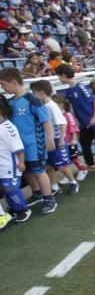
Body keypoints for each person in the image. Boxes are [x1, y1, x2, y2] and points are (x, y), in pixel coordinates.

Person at [0, 67, 56, 214]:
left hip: (34, 144)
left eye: (3, 84)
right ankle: (37, 193)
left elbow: (46, 121)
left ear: (13, 82)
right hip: (19, 147)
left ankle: (49, 199)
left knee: (39, 171)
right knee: (27, 171)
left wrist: (50, 139)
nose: (2, 88)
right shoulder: (11, 102)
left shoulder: (32, 100)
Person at [55, 64, 95, 175]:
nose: (58, 79)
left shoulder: (80, 87)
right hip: (84, 123)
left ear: (63, 75)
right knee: (84, 143)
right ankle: (91, 164)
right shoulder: (68, 91)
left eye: (58, 76)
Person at [30, 80, 79, 195]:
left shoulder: (52, 106)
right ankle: (55, 187)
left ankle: (73, 182)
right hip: (47, 140)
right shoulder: (42, 105)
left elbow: (62, 123)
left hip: (56, 140)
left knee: (62, 166)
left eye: (34, 92)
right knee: (48, 166)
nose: (33, 95)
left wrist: (62, 139)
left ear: (41, 93)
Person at [0, 95, 31, 224]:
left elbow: (18, 147)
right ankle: (14, 208)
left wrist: (21, 162)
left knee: (10, 187)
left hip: (10, 165)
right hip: (1, 165)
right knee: (4, 188)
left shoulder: (8, 127)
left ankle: (23, 209)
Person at [51, 94, 88, 182]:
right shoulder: (56, 115)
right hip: (61, 142)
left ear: (61, 104)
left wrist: (74, 139)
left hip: (69, 142)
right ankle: (68, 175)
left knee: (74, 157)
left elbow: (73, 127)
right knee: (65, 159)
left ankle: (82, 169)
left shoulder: (67, 115)